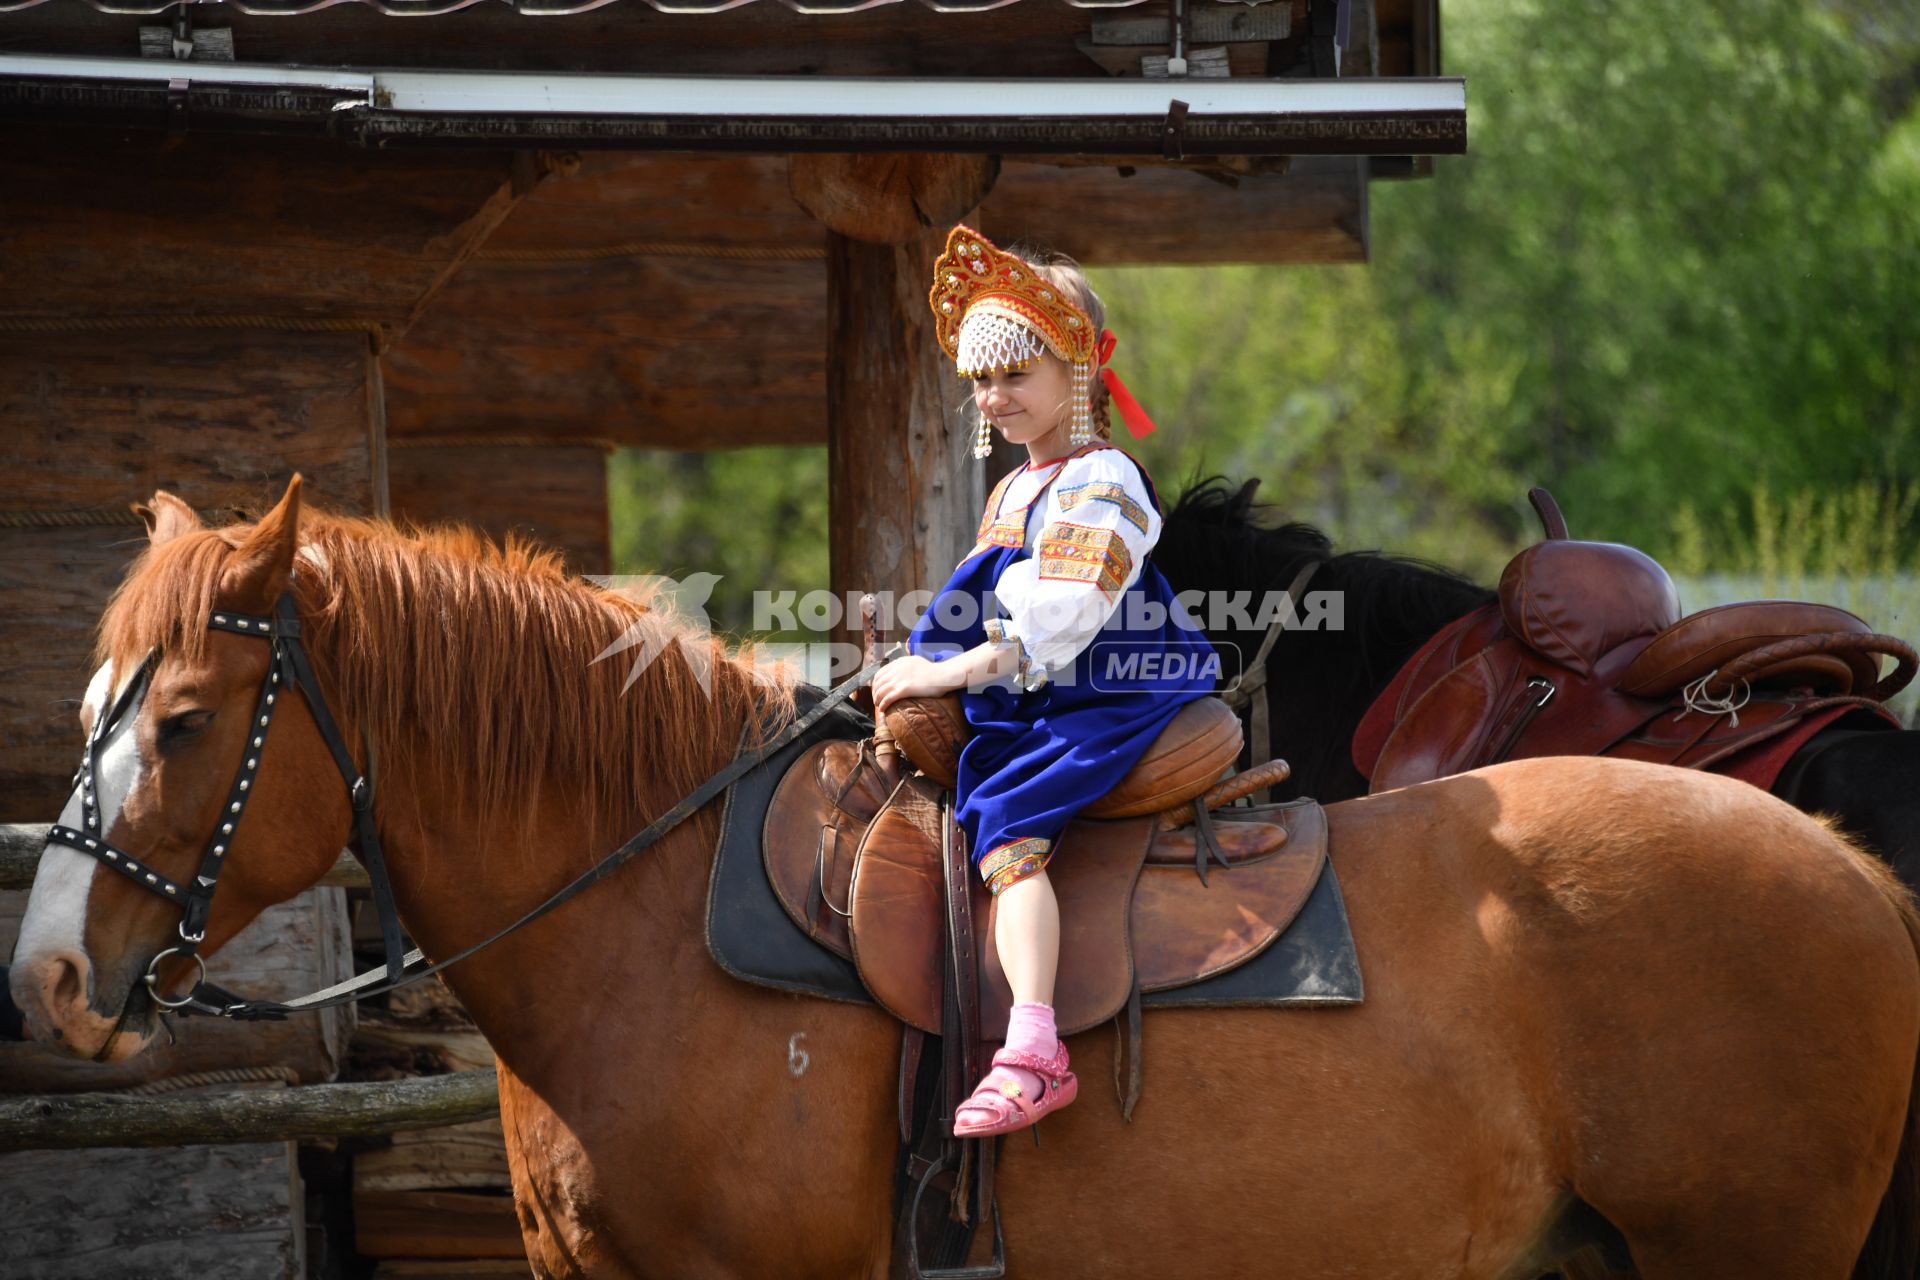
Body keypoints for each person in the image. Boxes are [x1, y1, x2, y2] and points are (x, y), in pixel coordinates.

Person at [872, 225, 1217, 1137]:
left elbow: (1059, 623)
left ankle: (1034, 1047)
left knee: (1004, 818)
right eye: (983, 380)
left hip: (1102, 690)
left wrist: (952, 673)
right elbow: (977, 603)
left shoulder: (1102, 480)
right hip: (1034, 686)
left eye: (1015, 373)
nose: (995, 395)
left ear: (1079, 372)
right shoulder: (1017, 491)